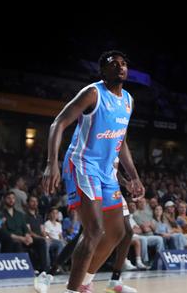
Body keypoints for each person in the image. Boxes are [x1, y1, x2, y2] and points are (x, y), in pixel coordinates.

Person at [42, 50, 144, 293]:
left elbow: (122, 142)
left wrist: (134, 176)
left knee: (118, 231)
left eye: (124, 63)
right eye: (114, 64)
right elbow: (59, 123)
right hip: (82, 165)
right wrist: (51, 163)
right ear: (103, 71)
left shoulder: (129, 101)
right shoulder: (93, 93)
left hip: (106, 172)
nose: (120, 67)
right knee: (95, 230)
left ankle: (85, 283)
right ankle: (72, 289)